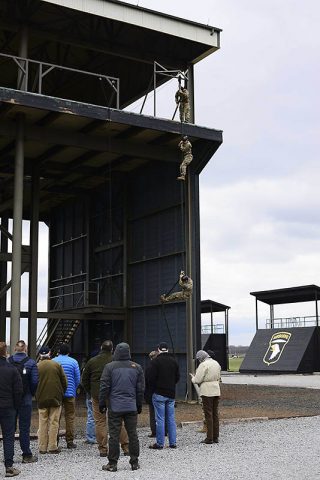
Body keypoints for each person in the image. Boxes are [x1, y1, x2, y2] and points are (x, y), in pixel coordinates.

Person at [99, 342, 144, 472]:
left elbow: (104, 387)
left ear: (116, 352)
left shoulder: (109, 367)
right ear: (129, 352)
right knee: (133, 434)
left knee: (114, 435)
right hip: (131, 406)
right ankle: (134, 462)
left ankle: (112, 463)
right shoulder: (137, 367)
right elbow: (140, 389)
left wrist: (102, 403)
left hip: (115, 407)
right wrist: (139, 405)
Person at [81, 340, 129, 457]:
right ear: (112, 349)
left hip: (97, 396)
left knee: (100, 421)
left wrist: (91, 391)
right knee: (119, 421)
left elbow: (84, 380)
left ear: (101, 348)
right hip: (114, 395)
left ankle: (103, 449)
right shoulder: (116, 361)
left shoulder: (92, 362)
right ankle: (126, 447)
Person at [8, 340, 39, 463]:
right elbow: (35, 381)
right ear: (25, 349)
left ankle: (8, 456)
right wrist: (30, 393)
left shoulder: (8, 361)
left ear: (15, 349)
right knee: (24, 427)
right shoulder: (31, 363)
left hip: (10, 399)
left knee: (9, 428)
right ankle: (26, 455)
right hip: (25, 398)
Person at [36, 346, 67, 454]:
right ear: (49, 353)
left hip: (41, 398)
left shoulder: (37, 366)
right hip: (55, 398)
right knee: (54, 422)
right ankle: (53, 446)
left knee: (42, 422)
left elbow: (34, 383)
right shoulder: (56, 365)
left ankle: (42, 447)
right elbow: (64, 381)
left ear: (40, 354)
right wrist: (61, 393)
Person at [148, 342, 180, 450]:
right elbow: (177, 378)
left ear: (158, 350)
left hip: (159, 394)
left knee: (160, 419)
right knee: (171, 418)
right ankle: (173, 442)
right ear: (168, 349)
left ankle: (160, 443)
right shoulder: (174, 361)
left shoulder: (155, 362)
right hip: (171, 394)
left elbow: (150, 378)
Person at [0, 341, 23, 477]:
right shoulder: (12, 369)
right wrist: (16, 406)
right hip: (8, 407)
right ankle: (9, 467)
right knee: (8, 437)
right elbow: (18, 391)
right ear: (6, 353)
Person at [52, 343, 80, 449]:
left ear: (59, 351)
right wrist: (73, 388)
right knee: (70, 417)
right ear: (69, 352)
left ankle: (55, 440)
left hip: (57, 393)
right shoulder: (74, 362)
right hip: (70, 393)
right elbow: (77, 379)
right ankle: (70, 441)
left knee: (55, 417)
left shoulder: (54, 361)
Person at [190, 350, 221, 444]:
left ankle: (209, 438)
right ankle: (216, 437)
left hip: (207, 390)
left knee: (208, 414)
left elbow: (198, 379)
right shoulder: (216, 363)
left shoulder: (203, 365)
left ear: (201, 358)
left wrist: (192, 378)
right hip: (216, 389)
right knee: (215, 414)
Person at [144, 350, 158, 437]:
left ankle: (154, 431)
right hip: (162, 392)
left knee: (153, 414)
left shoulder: (149, 368)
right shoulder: (162, 367)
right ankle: (165, 430)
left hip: (152, 393)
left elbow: (146, 382)